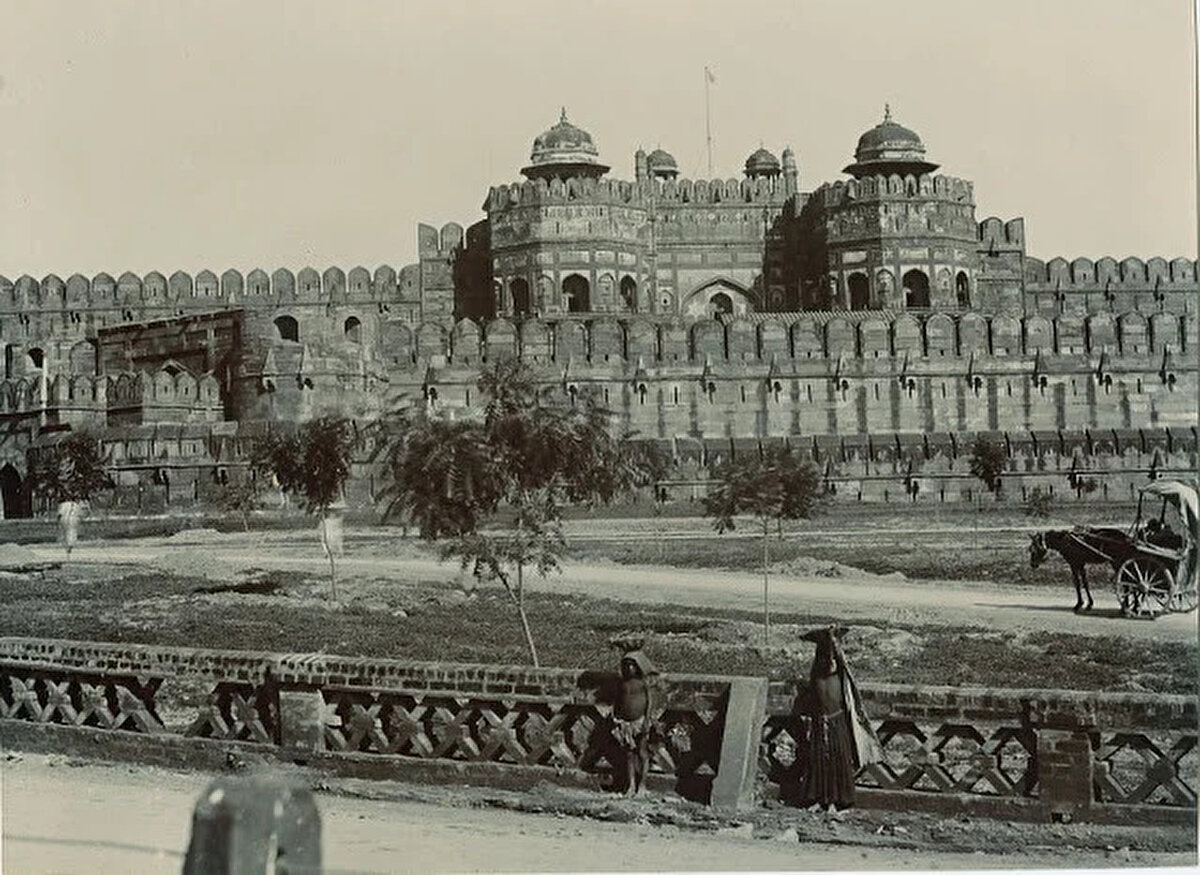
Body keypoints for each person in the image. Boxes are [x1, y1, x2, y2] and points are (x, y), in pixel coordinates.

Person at [793, 624, 882, 814]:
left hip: (837, 723)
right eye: (826, 658)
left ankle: (833, 801)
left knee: (836, 762)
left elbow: (839, 659)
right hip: (819, 724)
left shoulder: (841, 676)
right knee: (818, 762)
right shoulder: (816, 675)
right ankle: (819, 799)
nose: (830, 662)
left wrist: (833, 639)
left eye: (833, 658)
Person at [611, 647, 657, 798]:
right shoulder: (623, 683)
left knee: (642, 752)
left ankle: (642, 785)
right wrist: (616, 717)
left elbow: (650, 702)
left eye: (632, 665)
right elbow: (618, 701)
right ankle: (631, 785)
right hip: (626, 724)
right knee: (629, 754)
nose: (629, 668)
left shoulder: (642, 683)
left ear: (638, 667)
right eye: (626, 665)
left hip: (640, 721)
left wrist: (647, 720)